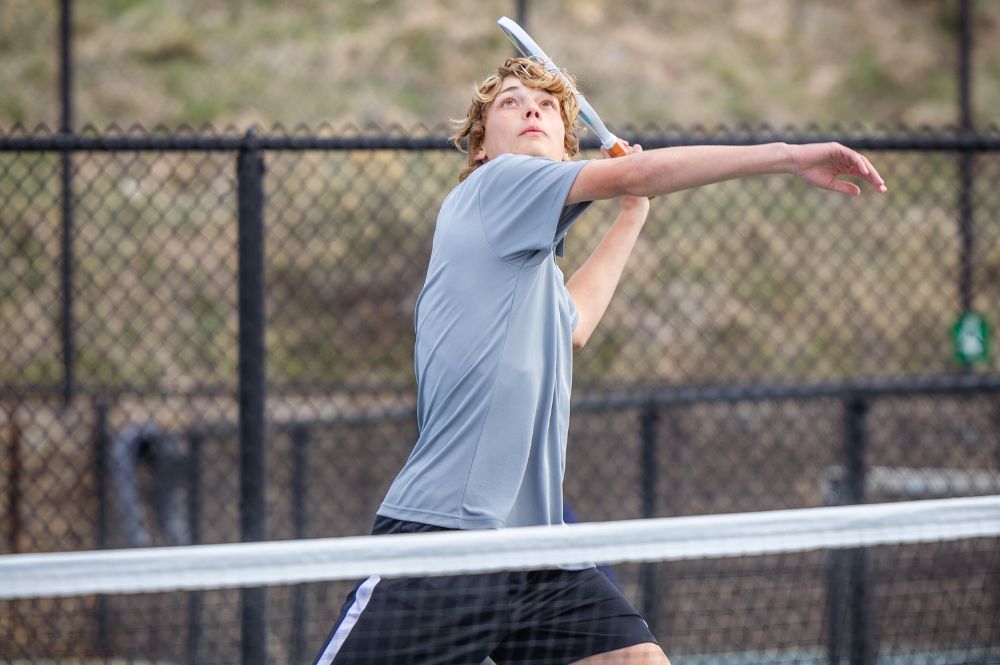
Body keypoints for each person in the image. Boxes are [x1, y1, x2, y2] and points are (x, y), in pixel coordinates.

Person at [313, 57, 886, 665]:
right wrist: (789, 156)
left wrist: (631, 214)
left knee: (636, 660)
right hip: (446, 543)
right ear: (481, 149)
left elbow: (575, 325)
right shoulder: (490, 188)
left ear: (567, 146)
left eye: (548, 105)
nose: (532, 108)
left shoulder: (527, 272)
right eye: (510, 102)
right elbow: (644, 170)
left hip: (539, 557)